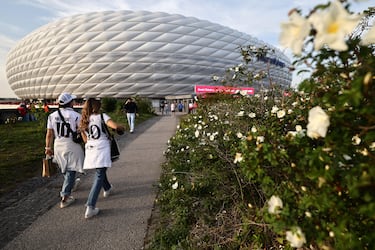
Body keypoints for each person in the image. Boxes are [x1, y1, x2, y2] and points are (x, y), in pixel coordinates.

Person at [79, 98, 125, 219]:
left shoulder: (84, 119)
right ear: (98, 106)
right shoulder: (102, 116)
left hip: (90, 148)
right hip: (102, 147)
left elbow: (84, 139)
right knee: (99, 174)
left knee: (100, 171)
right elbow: (114, 126)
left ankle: (108, 188)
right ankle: (90, 206)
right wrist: (121, 127)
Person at [45, 93, 84, 209]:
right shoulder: (76, 116)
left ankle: (71, 183)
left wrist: (48, 148)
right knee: (71, 168)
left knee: (64, 167)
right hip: (71, 144)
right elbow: (81, 131)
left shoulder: (52, 116)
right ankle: (65, 197)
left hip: (58, 144)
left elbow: (49, 134)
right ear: (70, 103)